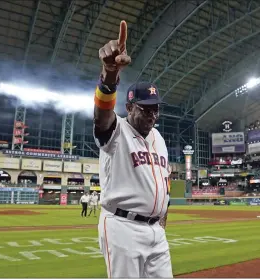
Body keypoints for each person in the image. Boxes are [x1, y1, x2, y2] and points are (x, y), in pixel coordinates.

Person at [93, 20, 172, 278]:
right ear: (129, 108)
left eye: (156, 108)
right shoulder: (117, 132)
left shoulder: (158, 138)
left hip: (156, 231)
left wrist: (163, 214)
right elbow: (102, 116)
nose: (152, 114)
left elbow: (165, 180)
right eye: (145, 108)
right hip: (122, 227)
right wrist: (110, 75)